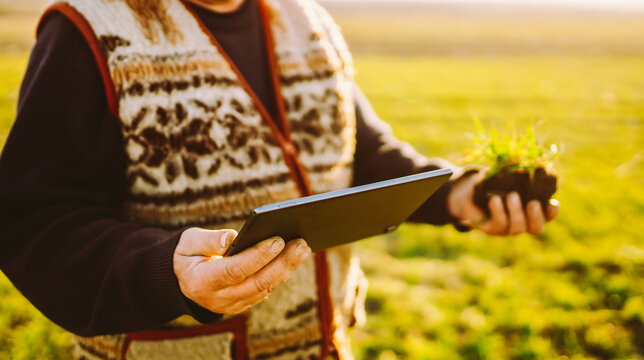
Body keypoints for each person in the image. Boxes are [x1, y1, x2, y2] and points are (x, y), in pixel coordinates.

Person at [0, 0, 559, 359]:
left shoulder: (306, 20)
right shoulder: (89, 31)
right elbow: (34, 220)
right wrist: (164, 270)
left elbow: (362, 153)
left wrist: (460, 195)